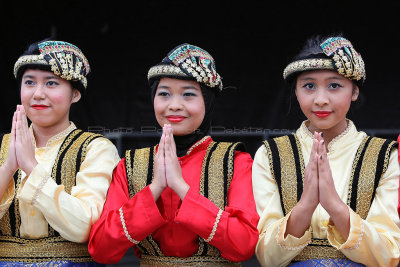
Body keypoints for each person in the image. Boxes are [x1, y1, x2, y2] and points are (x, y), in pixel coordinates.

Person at [88, 43, 259, 266]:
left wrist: (181, 188)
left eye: (188, 94)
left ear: (208, 101)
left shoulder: (235, 162)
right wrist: (154, 189)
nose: (175, 105)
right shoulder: (130, 165)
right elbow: (101, 249)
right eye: (164, 94)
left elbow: (245, 244)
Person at [252, 35, 400, 266]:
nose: (321, 99)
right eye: (309, 86)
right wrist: (306, 205)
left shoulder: (384, 156)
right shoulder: (271, 155)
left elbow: (388, 255)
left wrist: (333, 204)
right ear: (296, 92)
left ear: (354, 91)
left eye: (334, 85)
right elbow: (266, 257)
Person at [0, 39, 120, 265]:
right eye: (29, 82)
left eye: (51, 83)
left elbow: (84, 227)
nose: (37, 94)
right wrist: (8, 168)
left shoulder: (95, 149)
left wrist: (30, 168)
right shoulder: (4, 147)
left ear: (75, 94)